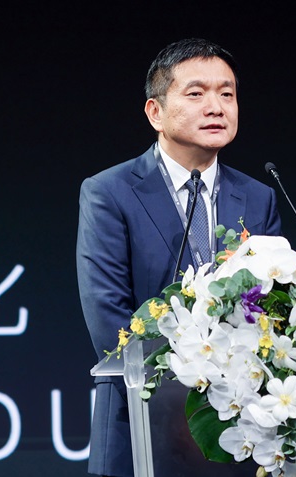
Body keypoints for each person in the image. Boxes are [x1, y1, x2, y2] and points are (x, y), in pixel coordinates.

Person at [77, 38, 283, 477]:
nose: (216, 107)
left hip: (240, 433)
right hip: (139, 428)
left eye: (226, 93)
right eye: (196, 93)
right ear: (155, 112)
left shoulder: (258, 197)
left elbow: (273, 311)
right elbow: (110, 322)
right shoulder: (109, 193)